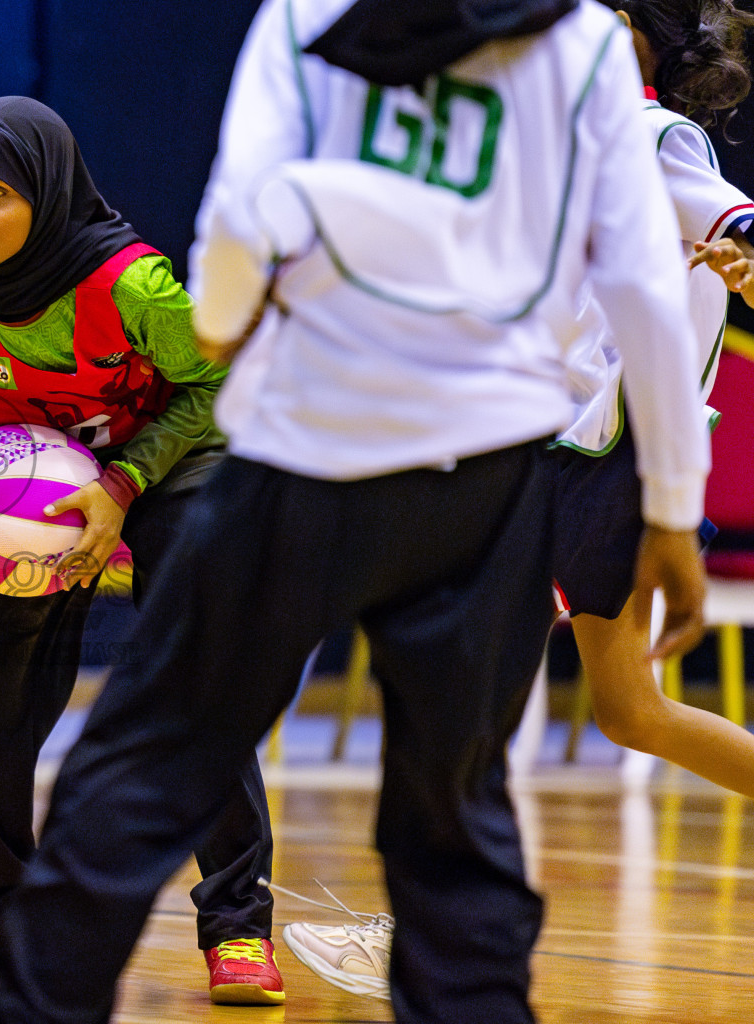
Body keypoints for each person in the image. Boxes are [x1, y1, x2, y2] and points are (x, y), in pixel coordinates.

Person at [0, 1, 710, 1022]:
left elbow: (240, 215)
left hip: (303, 449)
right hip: (486, 477)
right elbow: (644, 287)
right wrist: (672, 505)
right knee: (457, 822)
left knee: (145, 766)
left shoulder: (303, 16)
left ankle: (38, 1006)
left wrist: (225, 318)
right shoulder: (583, 41)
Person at [281, 0, 754, 1002]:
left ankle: (424, 935)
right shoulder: (560, 139)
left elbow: (728, 216)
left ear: (628, 32)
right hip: (580, 462)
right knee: (631, 711)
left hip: (596, 467)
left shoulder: (648, 132)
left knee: (463, 698)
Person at [0, 96, 285, 1004]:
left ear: (45, 191)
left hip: (182, 456)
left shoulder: (131, 286)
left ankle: (238, 927)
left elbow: (219, 385)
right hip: (46, 472)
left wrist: (122, 486)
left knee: (194, 668)